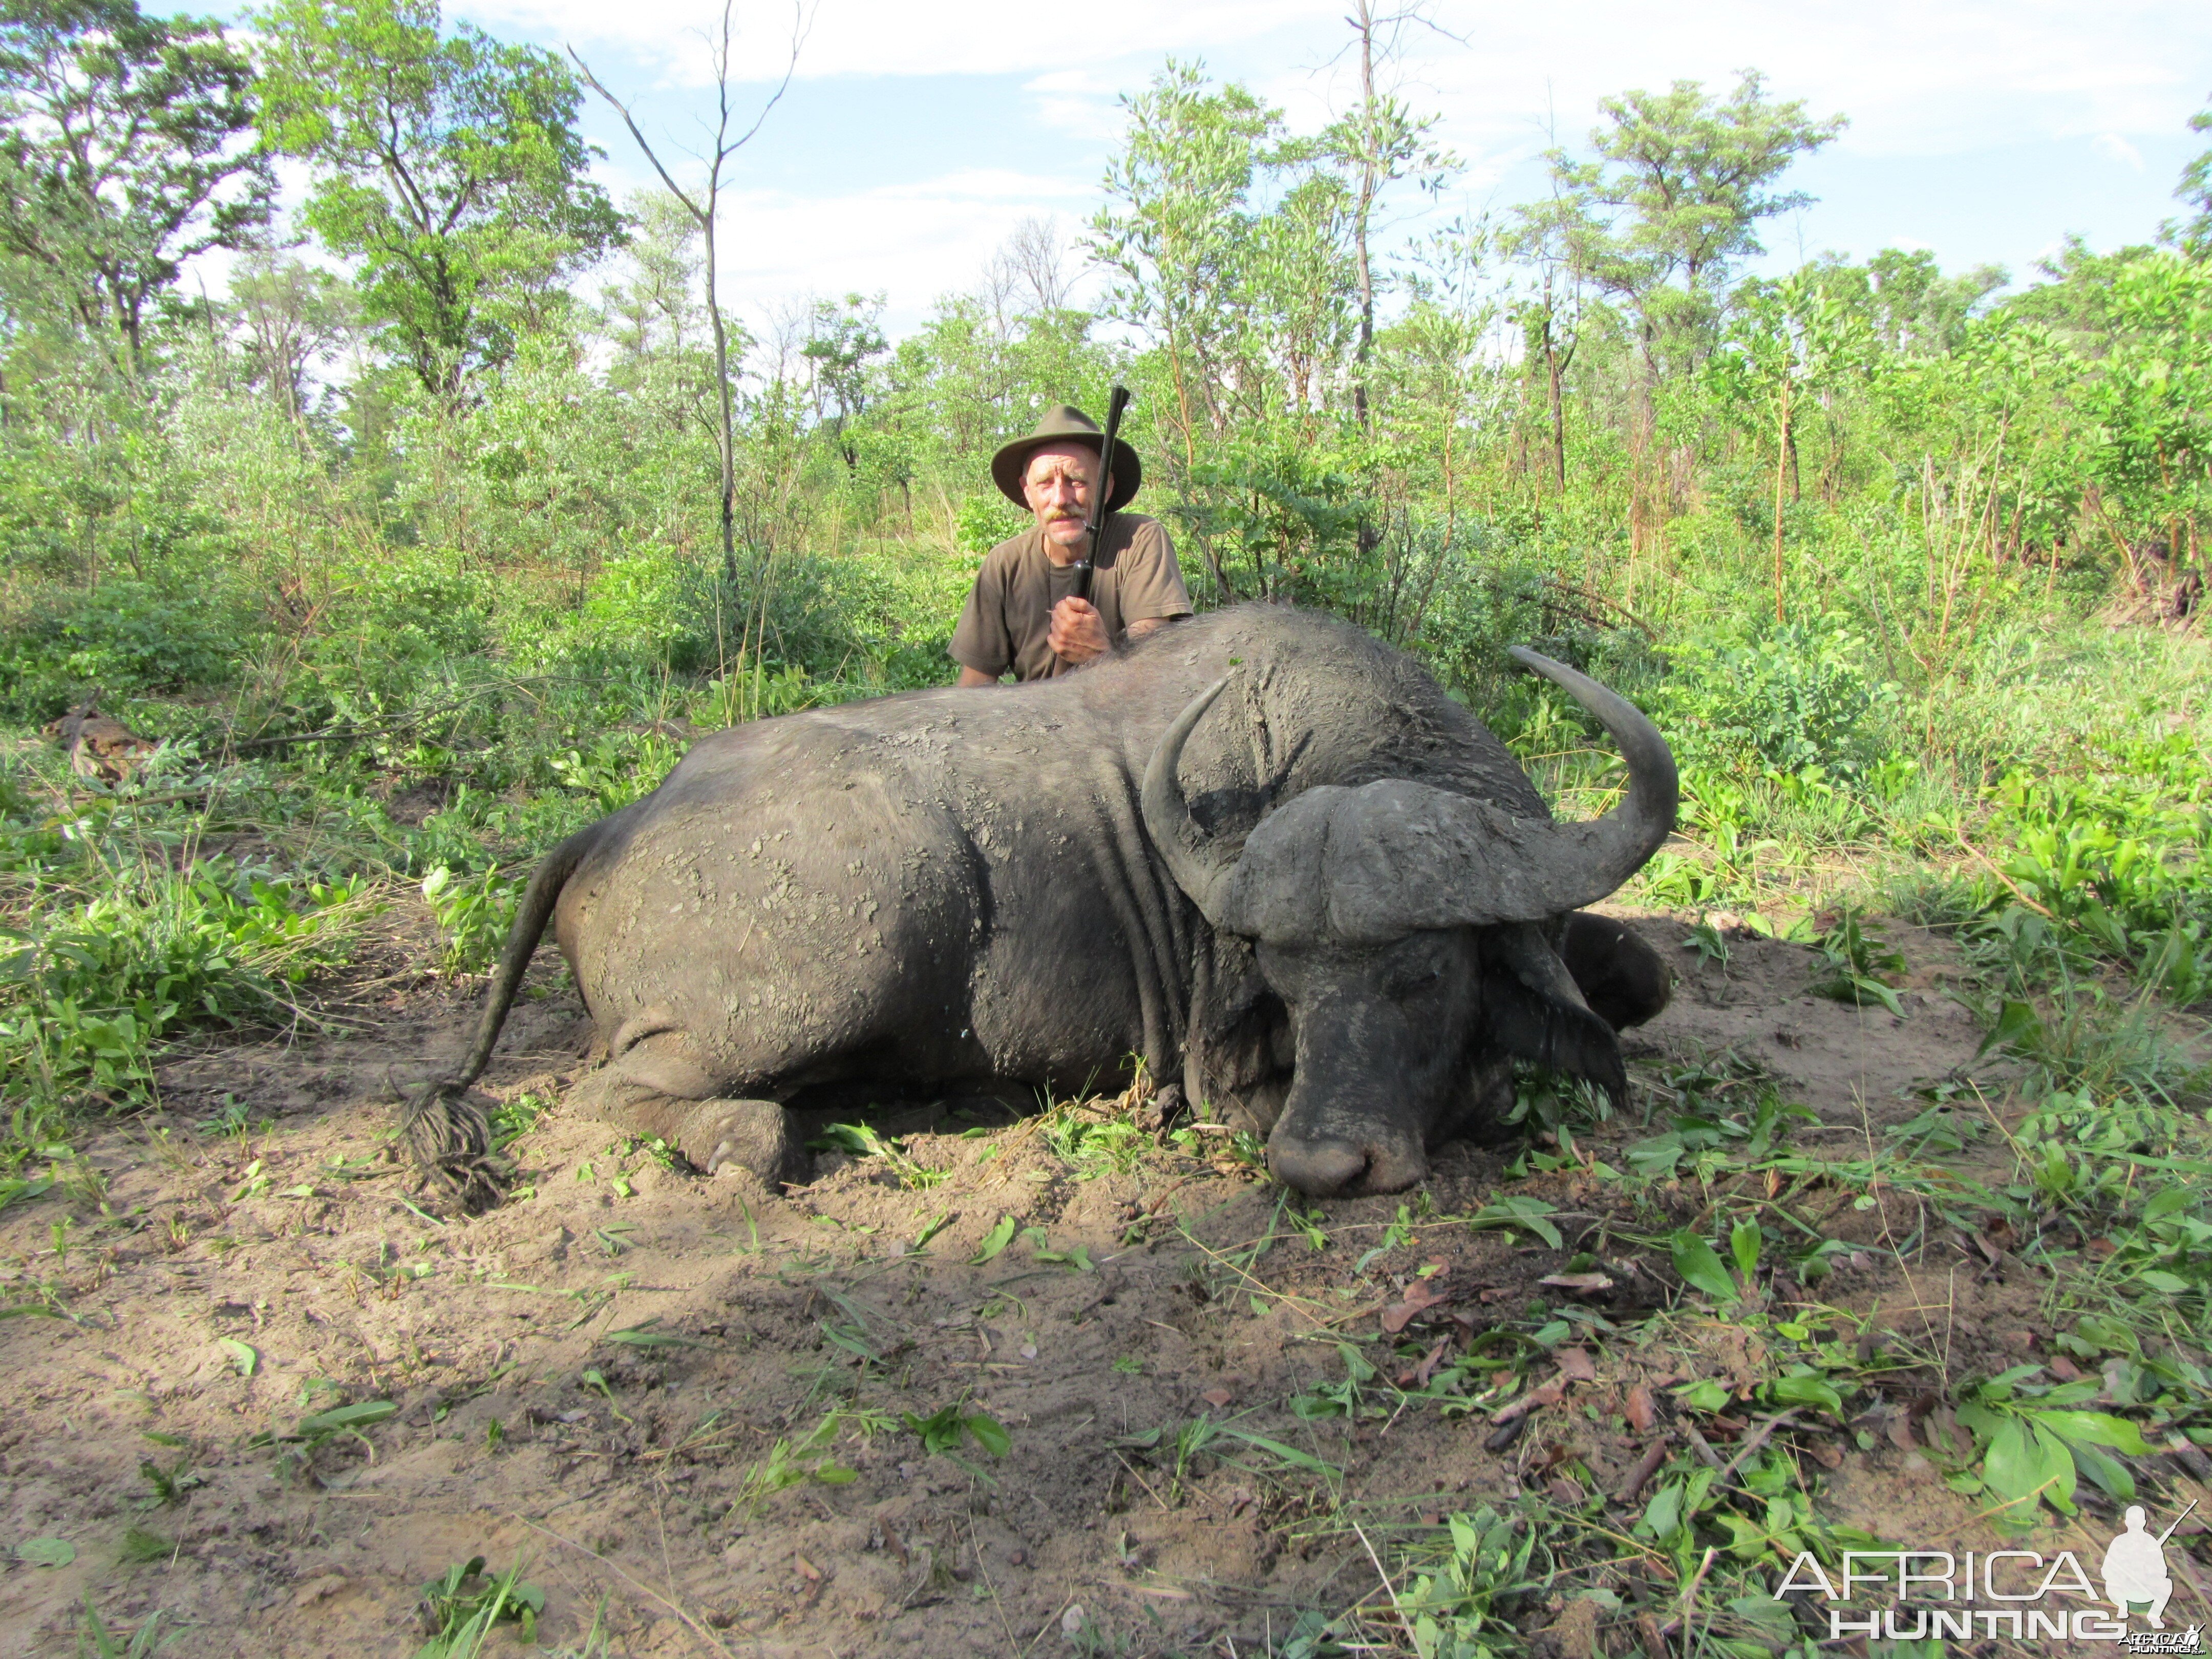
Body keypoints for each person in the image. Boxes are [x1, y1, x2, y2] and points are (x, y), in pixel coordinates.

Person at [950, 403, 1193, 685]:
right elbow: (973, 688)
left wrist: (1103, 653)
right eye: (1044, 484)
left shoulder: (1139, 539)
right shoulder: (1004, 564)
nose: (1060, 499)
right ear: (1028, 493)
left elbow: (1155, 672)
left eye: (1076, 481)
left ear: (1107, 488)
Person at [2101, 1505, 2174, 1628]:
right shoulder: (2119, 1542)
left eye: (2138, 1521)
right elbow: (2107, 1570)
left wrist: (2147, 1570)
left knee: (2167, 1584)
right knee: (2111, 1584)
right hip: (2122, 1590)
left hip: (2145, 1588)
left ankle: (2155, 1615)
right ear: (2127, 1522)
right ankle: (2123, 1607)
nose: (2135, 1524)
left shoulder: (2151, 1542)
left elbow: (2162, 1570)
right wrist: (2123, 1572)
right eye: (2132, 1521)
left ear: (2144, 1522)